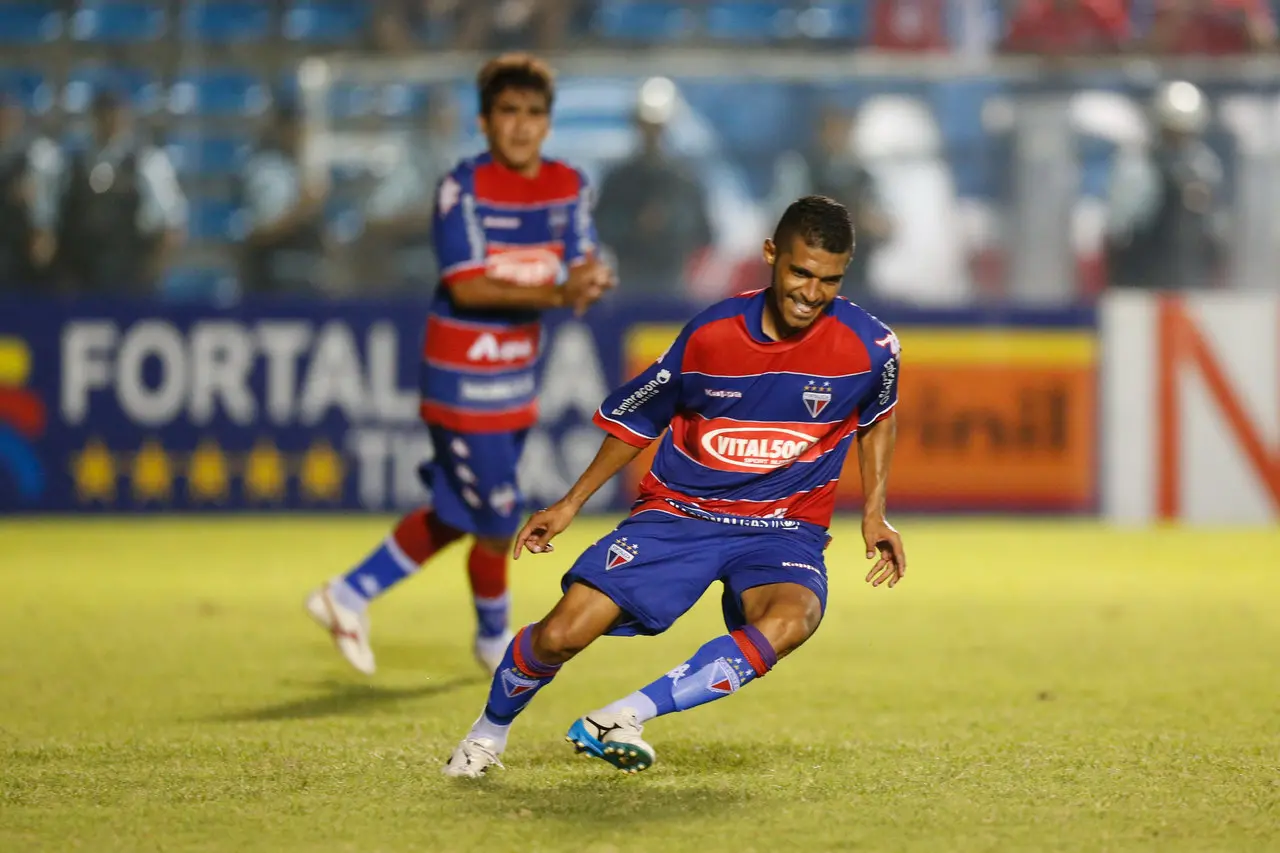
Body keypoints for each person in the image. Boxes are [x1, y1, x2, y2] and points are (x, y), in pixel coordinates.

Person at [443, 195, 907, 778]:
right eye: (800, 273)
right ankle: (486, 735)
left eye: (829, 281)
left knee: (792, 619)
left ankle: (625, 715)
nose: (811, 293)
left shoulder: (873, 347)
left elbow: (878, 417)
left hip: (782, 529)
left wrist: (875, 512)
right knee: (562, 634)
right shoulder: (711, 335)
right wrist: (570, 503)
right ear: (771, 255)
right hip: (682, 515)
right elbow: (638, 420)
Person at [305, 53, 614, 676]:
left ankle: (349, 593)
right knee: (499, 515)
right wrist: (559, 291)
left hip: (516, 377)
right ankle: (493, 639)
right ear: (484, 121)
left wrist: (590, 280)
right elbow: (468, 287)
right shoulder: (463, 188)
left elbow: (582, 260)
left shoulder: (569, 184)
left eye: (533, 113)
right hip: (460, 381)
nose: (521, 126)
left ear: (548, 123)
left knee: (457, 513)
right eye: (508, 112)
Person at [53, 88, 187, 295]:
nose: (109, 120)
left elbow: (171, 225)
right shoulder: (75, 164)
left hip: (129, 271)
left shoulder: (148, 161)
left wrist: (153, 271)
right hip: (81, 274)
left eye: (114, 113)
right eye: (103, 114)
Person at [1104, 81, 1225, 290]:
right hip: (1142, 282)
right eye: (1172, 131)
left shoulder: (1204, 166)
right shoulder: (1138, 165)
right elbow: (1119, 231)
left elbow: (1212, 227)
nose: (1178, 139)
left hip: (1191, 280)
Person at [237, 100, 329, 295]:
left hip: (304, 274)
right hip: (273, 277)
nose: (299, 135)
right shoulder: (264, 168)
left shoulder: (296, 167)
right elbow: (260, 233)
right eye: (294, 128)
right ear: (281, 129)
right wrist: (304, 208)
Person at [0, 91, 58, 292]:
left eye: (8, 117)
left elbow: (42, 204)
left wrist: (42, 234)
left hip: (18, 244)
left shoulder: (33, 154)